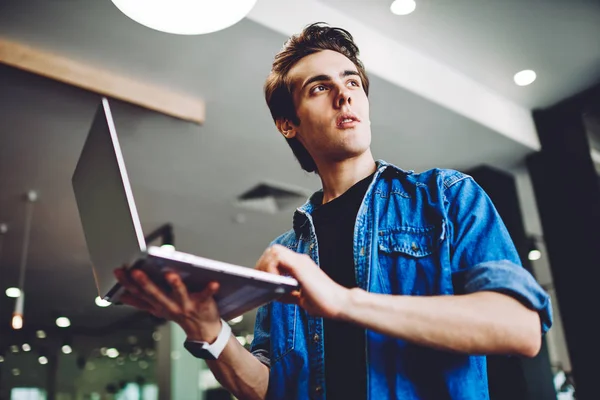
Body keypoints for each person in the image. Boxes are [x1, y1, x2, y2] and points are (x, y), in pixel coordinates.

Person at [114, 23, 552, 400]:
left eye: (352, 82)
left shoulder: (447, 196)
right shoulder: (284, 253)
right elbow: (269, 390)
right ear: (288, 123)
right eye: (319, 87)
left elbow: (519, 327)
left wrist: (344, 302)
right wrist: (207, 330)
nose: (344, 94)